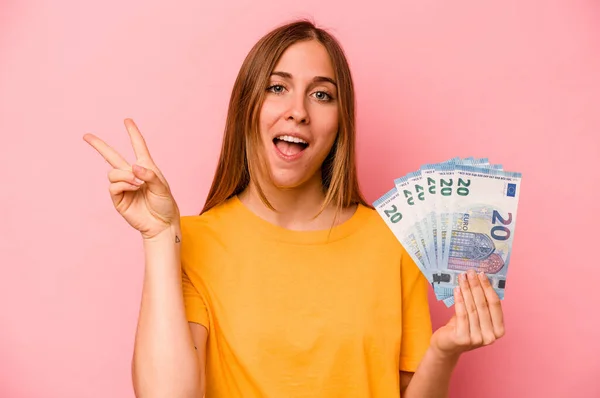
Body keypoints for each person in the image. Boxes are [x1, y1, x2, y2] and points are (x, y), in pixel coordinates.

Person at [83, 19, 505, 398]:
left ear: (341, 120)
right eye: (277, 87)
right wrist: (159, 238)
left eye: (321, 95)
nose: (298, 111)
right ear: (247, 106)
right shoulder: (193, 242)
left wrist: (444, 350)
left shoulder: (394, 241)